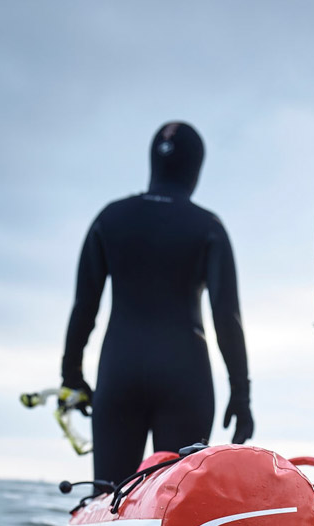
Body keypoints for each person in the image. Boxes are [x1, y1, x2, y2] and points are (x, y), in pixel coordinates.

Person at [62, 122, 253, 486]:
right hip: (185, 377)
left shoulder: (111, 217)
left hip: (119, 372)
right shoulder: (208, 227)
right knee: (176, 501)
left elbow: (83, 307)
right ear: (196, 169)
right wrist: (241, 394)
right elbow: (227, 318)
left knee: (109, 498)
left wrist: (71, 376)